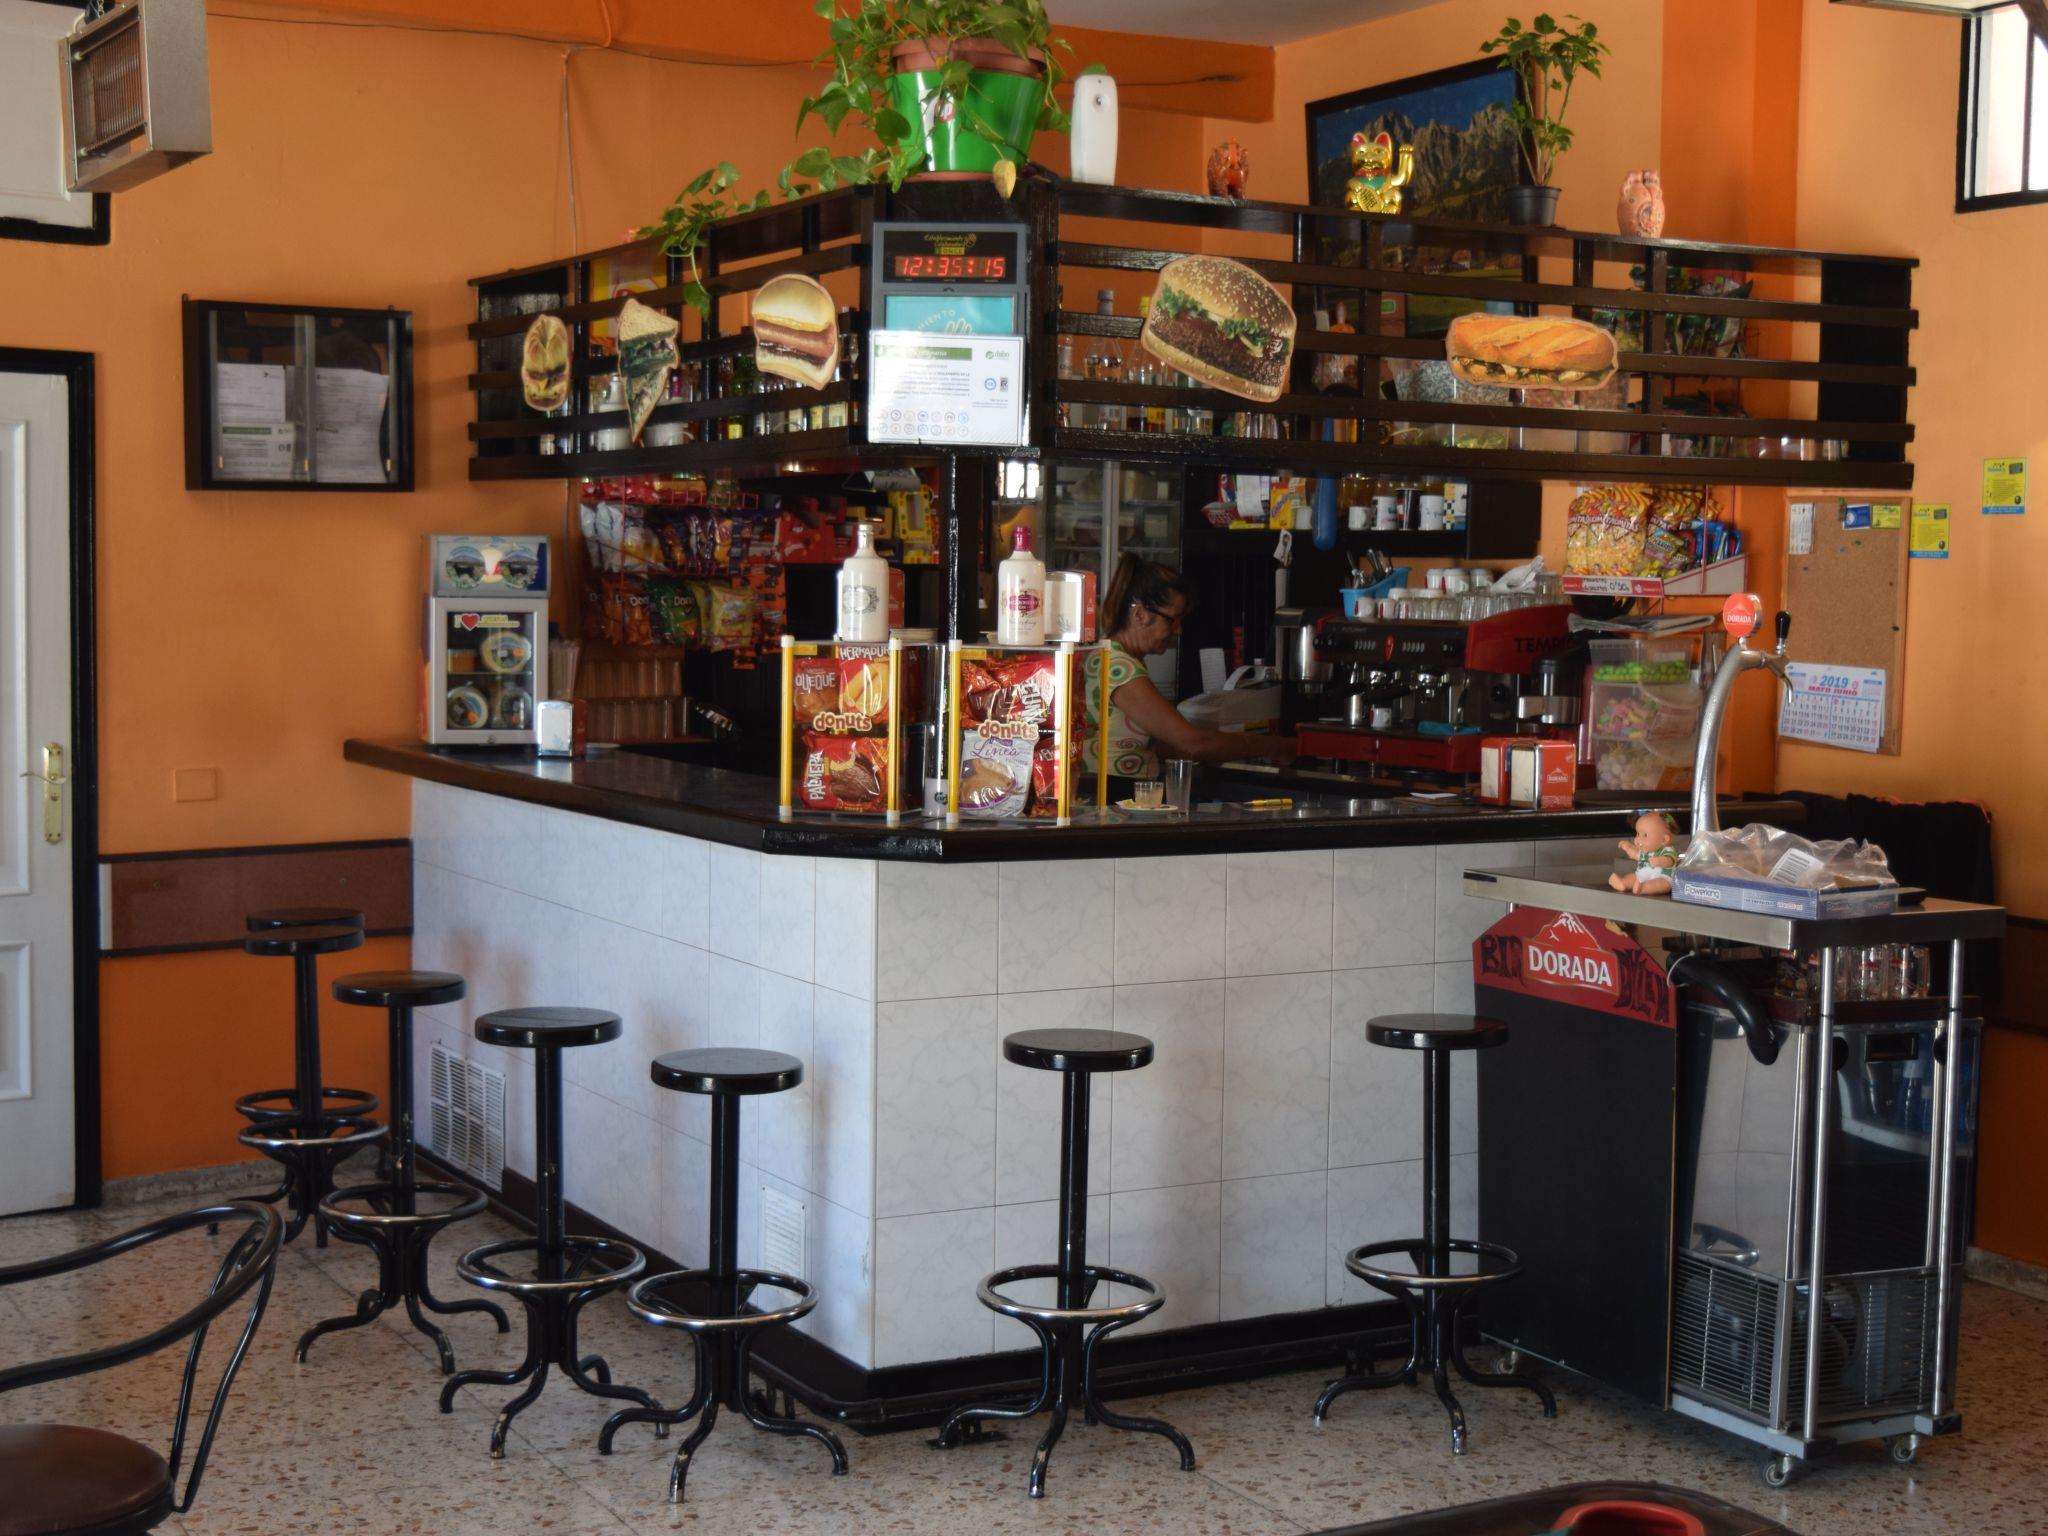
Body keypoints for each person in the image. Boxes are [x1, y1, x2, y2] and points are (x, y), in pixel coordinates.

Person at [1082, 554, 1293, 797]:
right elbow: (1193, 744)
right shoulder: (1119, 667)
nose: (1178, 630)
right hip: (1111, 795)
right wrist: (1274, 745)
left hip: (1116, 793)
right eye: (1172, 620)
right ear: (1139, 614)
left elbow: (1168, 745)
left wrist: (1227, 745)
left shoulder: (1112, 657)